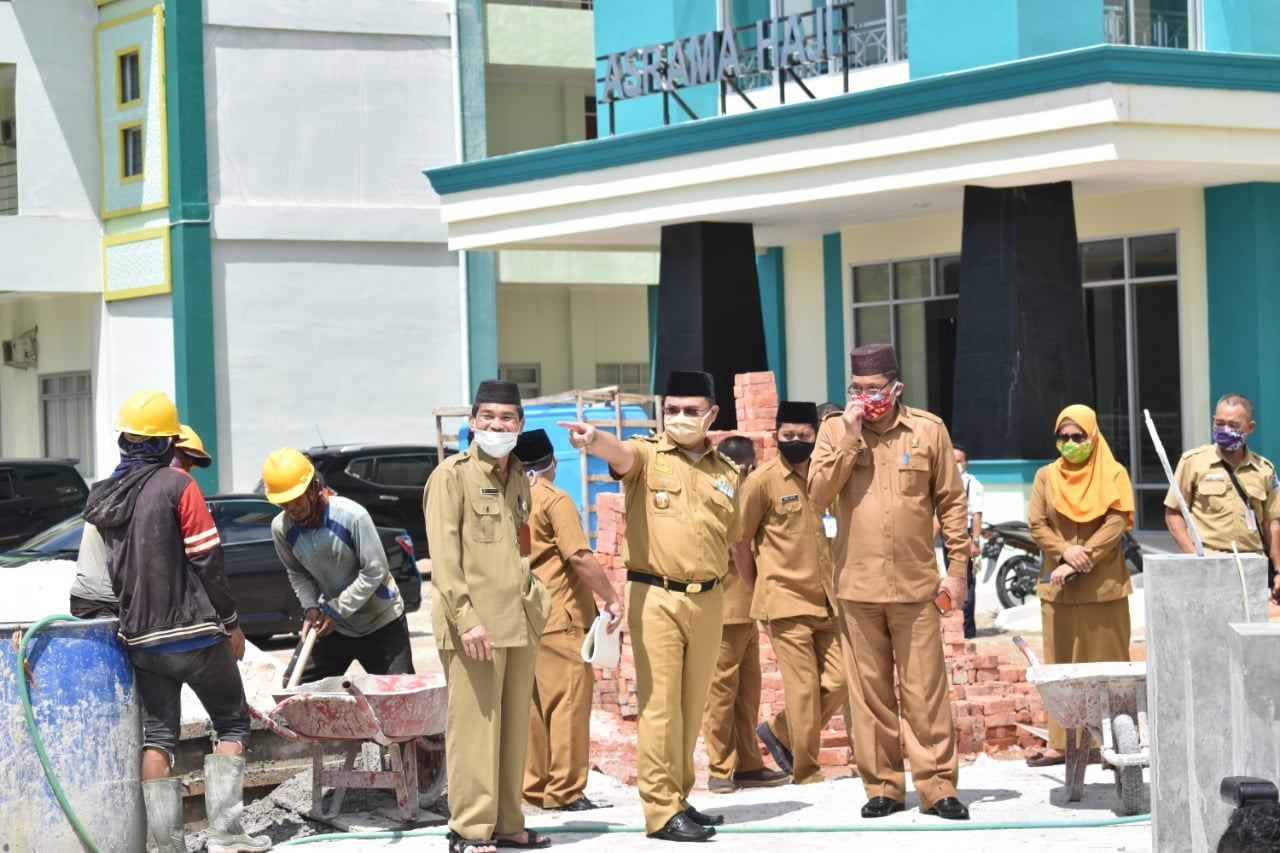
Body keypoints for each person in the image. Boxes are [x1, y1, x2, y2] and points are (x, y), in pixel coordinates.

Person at [81, 391, 269, 853]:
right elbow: (208, 559)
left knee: (159, 737)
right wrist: (232, 624)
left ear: (125, 440)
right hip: (195, 633)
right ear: (167, 442)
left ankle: (169, 848)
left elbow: (95, 583)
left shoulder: (106, 496)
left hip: (141, 640)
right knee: (232, 723)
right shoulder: (178, 485)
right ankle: (226, 835)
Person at [559, 370, 741, 843]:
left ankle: (678, 796)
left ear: (712, 415)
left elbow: (731, 537)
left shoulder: (726, 473)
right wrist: (594, 437)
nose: (681, 418)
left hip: (709, 597)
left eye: (691, 411)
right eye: (673, 410)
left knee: (690, 703)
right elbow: (619, 454)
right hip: (656, 594)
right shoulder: (647, 454)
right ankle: (660, 812)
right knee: (660, 704)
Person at [808, 344, 971, 821]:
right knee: (869, 696)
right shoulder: (835, 431)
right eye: (856, 390)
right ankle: (882, 788)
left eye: (874, 390)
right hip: (856, 588)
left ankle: (938, 787)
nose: (865, 398)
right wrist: (850, 437)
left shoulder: (928, 430)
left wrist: (957, 570)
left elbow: (952, 504)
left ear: (896, 388)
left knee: (925, 692)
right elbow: (817, 494)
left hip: (916, 587)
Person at [425, 379, 552, 853]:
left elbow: (521, 547)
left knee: (513, 729)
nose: (497, 426)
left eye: (507, 419)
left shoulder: (518, 475)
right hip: (473, 626)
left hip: (517, 621)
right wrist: (466, 618)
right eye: (488, 418)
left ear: (520, 425)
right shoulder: (451, 476)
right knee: (476, 732)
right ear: (473, 421)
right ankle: (469, 830)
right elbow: (445, 557)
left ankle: (508, 823)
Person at [736, 401, 848, 787]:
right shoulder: (761, 482)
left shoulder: (827, 479)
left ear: (816, 437)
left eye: (804, 436)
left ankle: (780, 729)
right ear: (775, 437)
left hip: (827, 600)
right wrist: (758, 590)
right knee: (802, 689)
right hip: (783, 601)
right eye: (788, 436)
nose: (796, 442)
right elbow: (740, 542)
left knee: (841, 680)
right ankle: (806, 770)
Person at [515, 429, 624, 812]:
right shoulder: (554, 500)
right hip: (560, 616)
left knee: (534, 708)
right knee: (568, 705)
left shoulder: (509, 499)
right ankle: (565, 791)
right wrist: (611, 598)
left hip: (524, 617)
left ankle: (535, 785)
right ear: (553, 462)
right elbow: (578, 556)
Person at [1024, 405, 1135, 767]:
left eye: (1078, 436)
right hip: (1059, 590)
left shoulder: (1114, 472)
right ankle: (1064, 745)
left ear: (1093, 436)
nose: (1070, 443)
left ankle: (1115, 743)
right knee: (1060, 670)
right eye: (1063, 437)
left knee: (1110, 668)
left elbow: (1118, 519)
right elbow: (1037, 523)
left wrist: (1084, 555)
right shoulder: (1046, 476)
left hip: (1104, 586)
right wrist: (1065, 552)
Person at [263, 447, 414, 684]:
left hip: (380, 620)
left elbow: (375, 571)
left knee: (400, 698)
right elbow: (298, 573)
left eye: (295, 498)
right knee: (294, 689)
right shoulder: (282, 529)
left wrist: (337, 610)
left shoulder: (351, 516)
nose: (291, 508)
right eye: (283, 503)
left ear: (313, 488)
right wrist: (311, 607)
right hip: (333, 625)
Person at [702, 436, 790, 793]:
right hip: (726, 607)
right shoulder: (721, 496)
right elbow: (738, 546)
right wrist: (758, 589)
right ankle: (721, 768)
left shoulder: (739, 494)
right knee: (720, 694)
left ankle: (749, 764)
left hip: (745, 609)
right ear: (744, 466)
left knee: (746, 693)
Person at [69, 423, 214, 619]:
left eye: (189, 465)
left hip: (113, 599)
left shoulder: (135, 485)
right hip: (105, 602)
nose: (185, 471)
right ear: (162, 450)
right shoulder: (141, 491)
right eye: (182, 460)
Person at [1165, 393, 1280, 603]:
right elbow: (1174, 514)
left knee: (1249, 633)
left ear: (1250, 427)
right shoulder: (1193, 462)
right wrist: (1194, 557)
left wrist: (1278, 571)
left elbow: (1271, 524)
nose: (1225, 430)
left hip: (1251, 566)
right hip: (1209, 565)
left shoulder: (1264, 470)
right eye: (1220, 423)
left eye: (1234, 425)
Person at [955, 446, 984, 639]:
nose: (956, 465)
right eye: (953, 461)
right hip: (951, 536)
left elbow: (977, 515)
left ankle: (967, 629)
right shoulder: (943, 482)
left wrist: (975, 541)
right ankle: (955, 627)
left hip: (965, 535)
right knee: (953, 578)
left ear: (966, 463)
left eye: (960, 461)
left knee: (966, 582)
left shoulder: (973, 484)